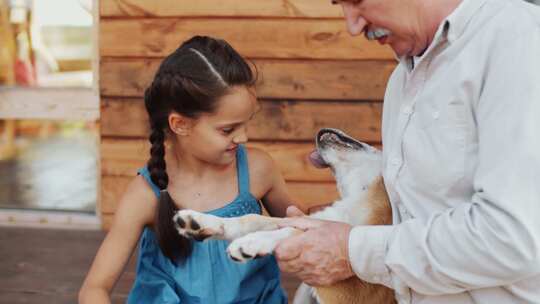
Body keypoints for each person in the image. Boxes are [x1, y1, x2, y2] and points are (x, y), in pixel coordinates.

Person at [275, 0, 540, 303]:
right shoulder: (401, 81)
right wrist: (338, 226)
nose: (352, 26)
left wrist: (352, 250)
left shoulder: (518, 41)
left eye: (357, 2)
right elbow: (422, 214)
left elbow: (514, 238)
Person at [79, 36, 292, 303]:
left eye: (246, 124)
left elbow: (301, 230)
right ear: (180, 124)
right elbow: (94, 289)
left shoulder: (258, 169)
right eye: (228, 130)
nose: (243, 138)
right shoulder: (147, 194)